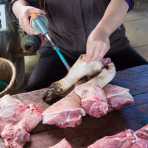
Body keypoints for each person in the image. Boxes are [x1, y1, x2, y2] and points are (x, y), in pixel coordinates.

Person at [11, 0, 147, 91]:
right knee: (35, 93)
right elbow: (17, 2)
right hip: (60, 49)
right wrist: (22, 9)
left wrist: (103, 30)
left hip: (112, 47)